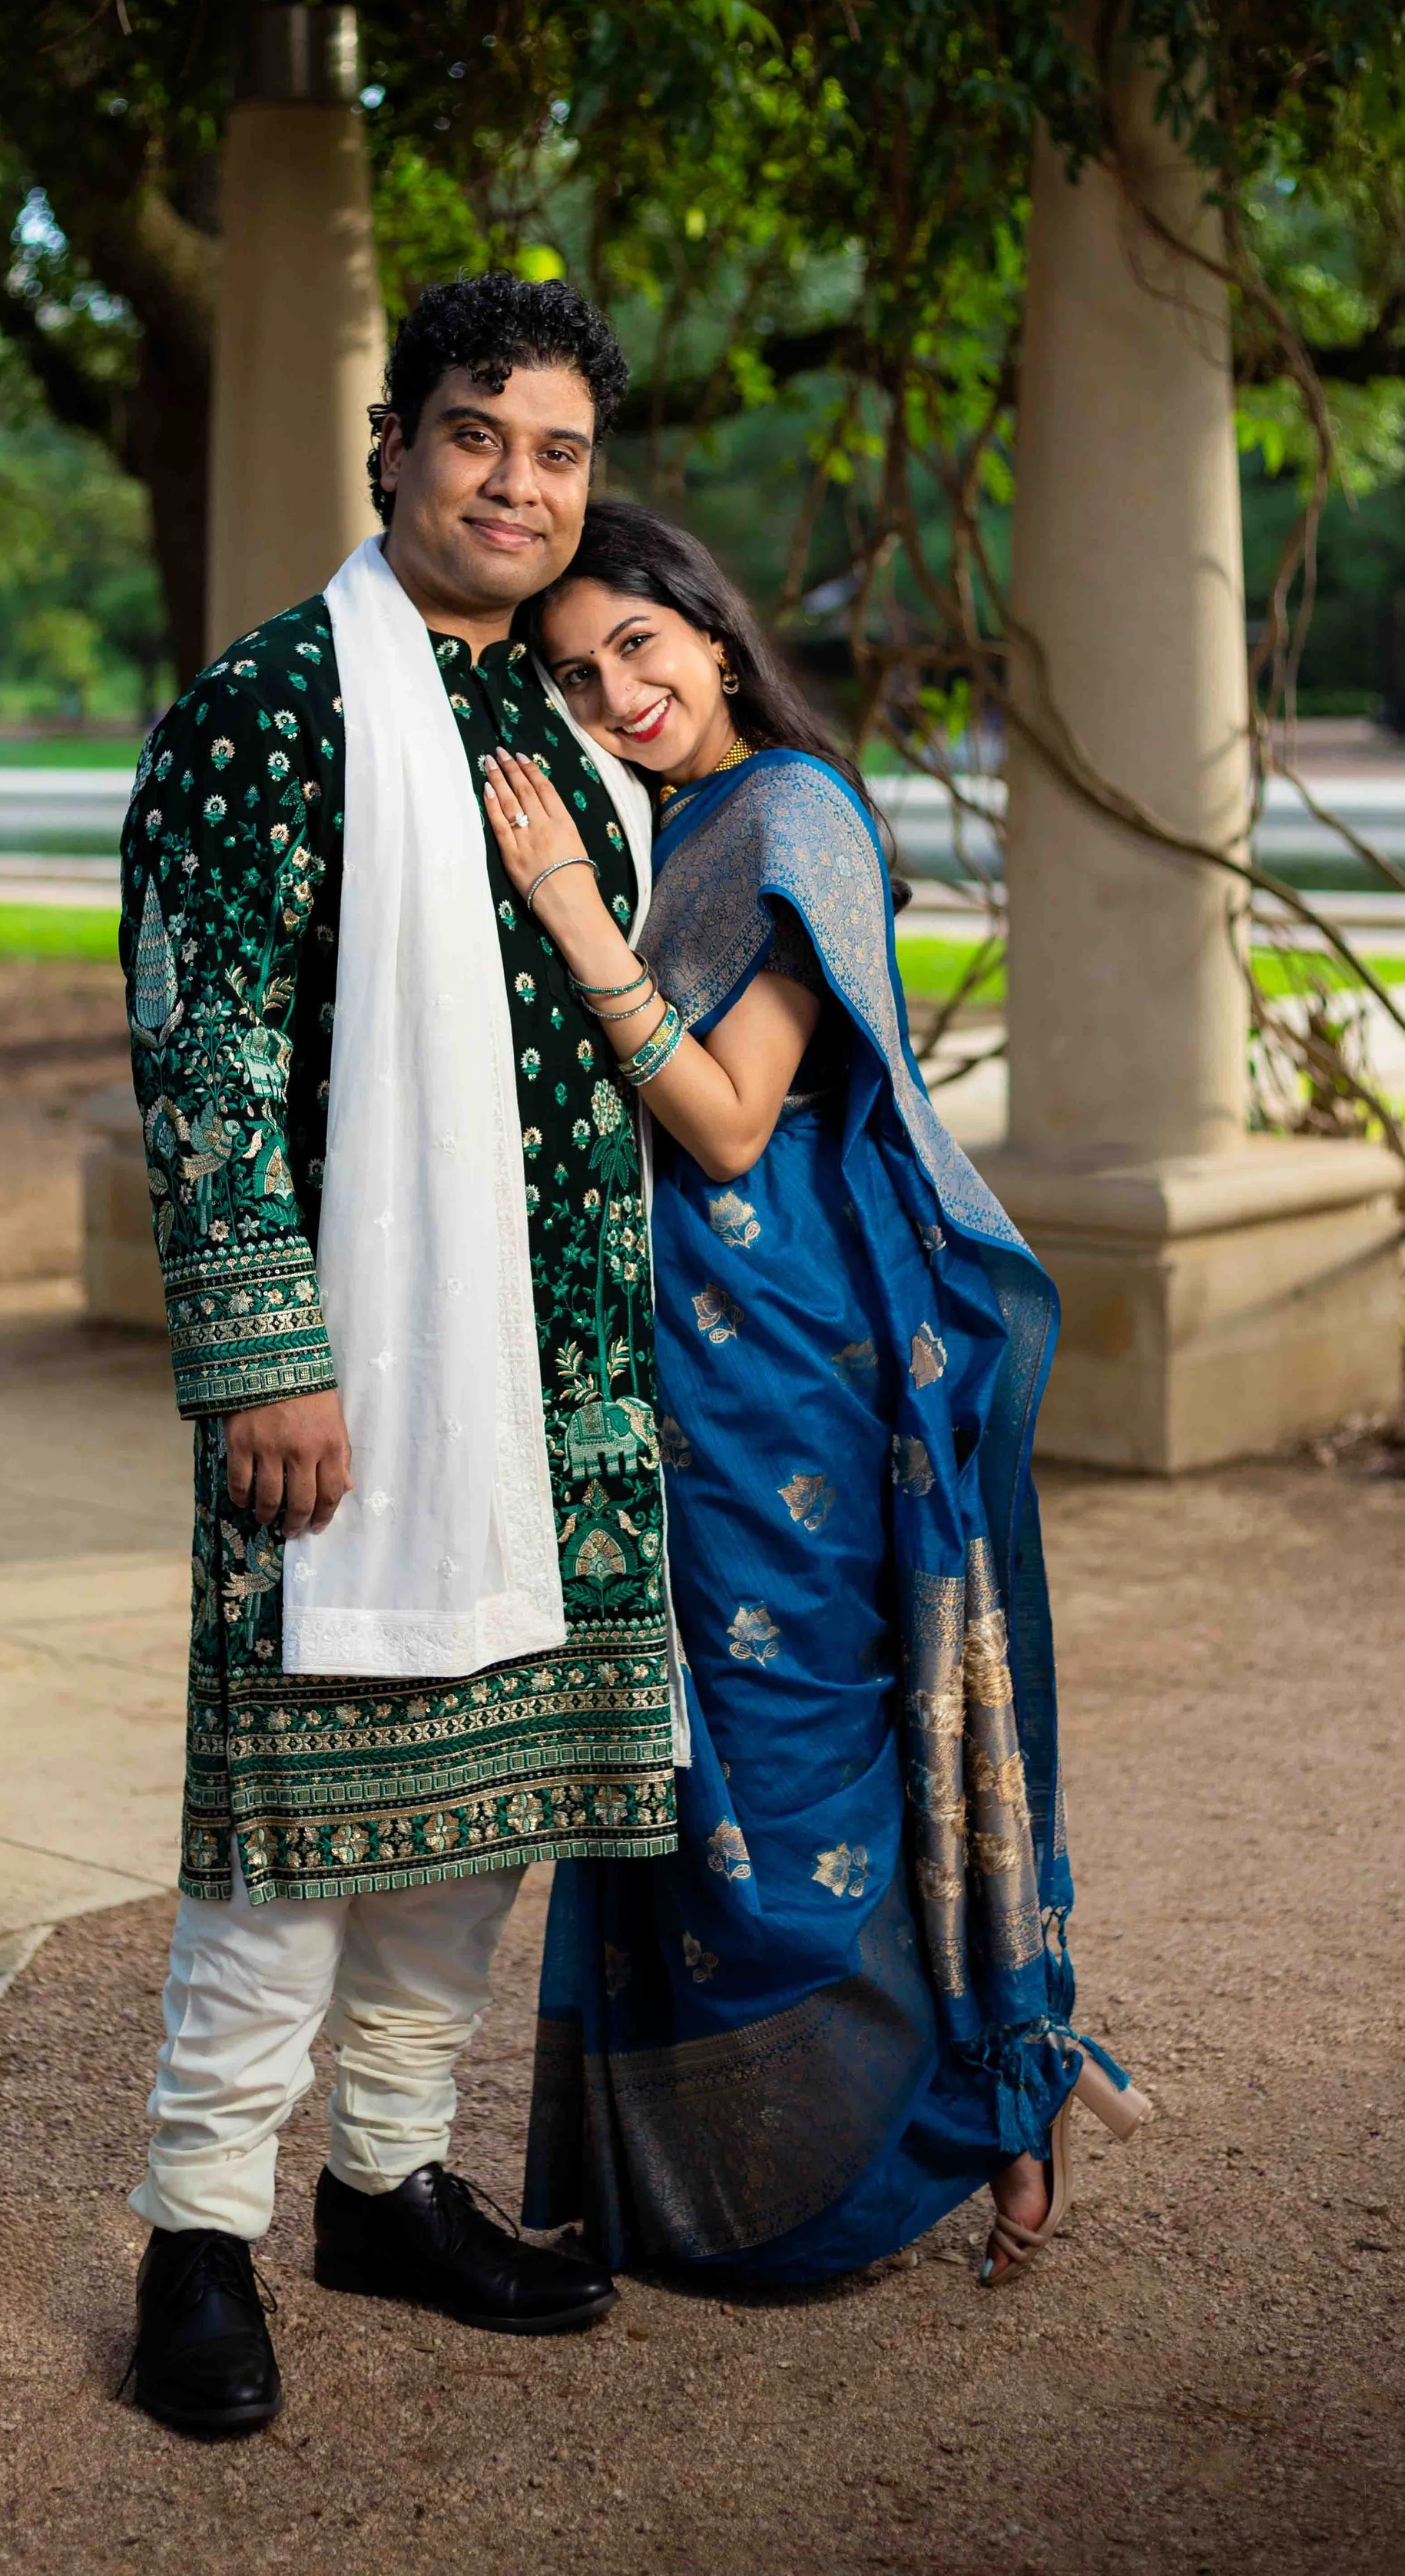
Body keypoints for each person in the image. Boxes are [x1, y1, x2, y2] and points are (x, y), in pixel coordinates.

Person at [118, 280, 681, 2436]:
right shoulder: (280, 702)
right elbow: (207, 1038)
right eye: (475, 434)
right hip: (345, 1369)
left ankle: (382, 2179)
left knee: (475, 1814)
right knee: (299, 1816)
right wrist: (265, 1347)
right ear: (389, 444)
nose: (516, 482)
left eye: (554, 451)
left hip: (552, 1378)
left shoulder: (553, 728)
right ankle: (195, 2231)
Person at [481, 501, 1148, 2290]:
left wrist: (561, 906)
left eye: (640, 643)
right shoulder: (657, 819)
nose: (616, 687)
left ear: (710, 628)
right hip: (658, 1354)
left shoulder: (791, 811)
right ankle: (720, 2167)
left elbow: (721, 1119)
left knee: (789, 1751)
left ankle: (958, 2113)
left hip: (783, 1350)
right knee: (673, 1753)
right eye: (573, 668)